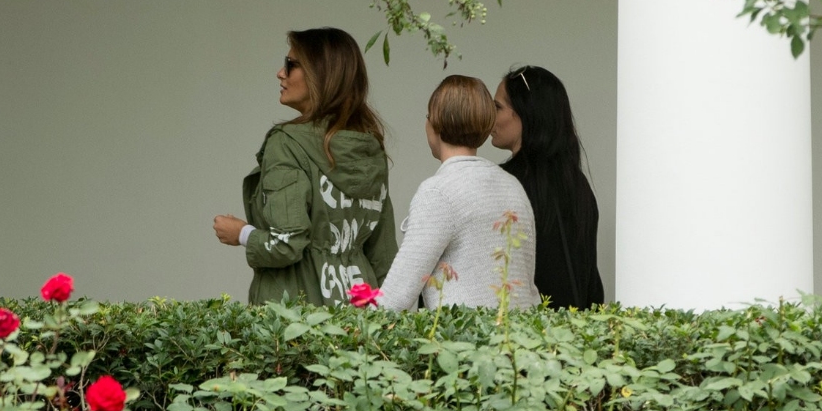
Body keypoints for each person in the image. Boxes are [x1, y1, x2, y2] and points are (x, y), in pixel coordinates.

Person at [212, 27, 397, 306]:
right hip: (361, 310)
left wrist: (241, 233)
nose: (280, 73)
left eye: (291, 64)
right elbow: (383, 255)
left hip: (299, 312)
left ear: (321, 75)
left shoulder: (287, 144)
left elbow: (286, 244)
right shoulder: (369, 148)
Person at [378, 75, 538, 311]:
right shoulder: (513, 186)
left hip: (463, 343)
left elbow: (395, 296)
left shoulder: (437, 192)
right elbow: (526, 280)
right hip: (515, 339)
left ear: (433, 124)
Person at [492, 66, 605, 309]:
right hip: (578, 333)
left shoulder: (506, 183)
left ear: (525, 113)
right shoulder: (578, 185)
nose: (490, 116)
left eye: (498, 107)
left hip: (527, 334)